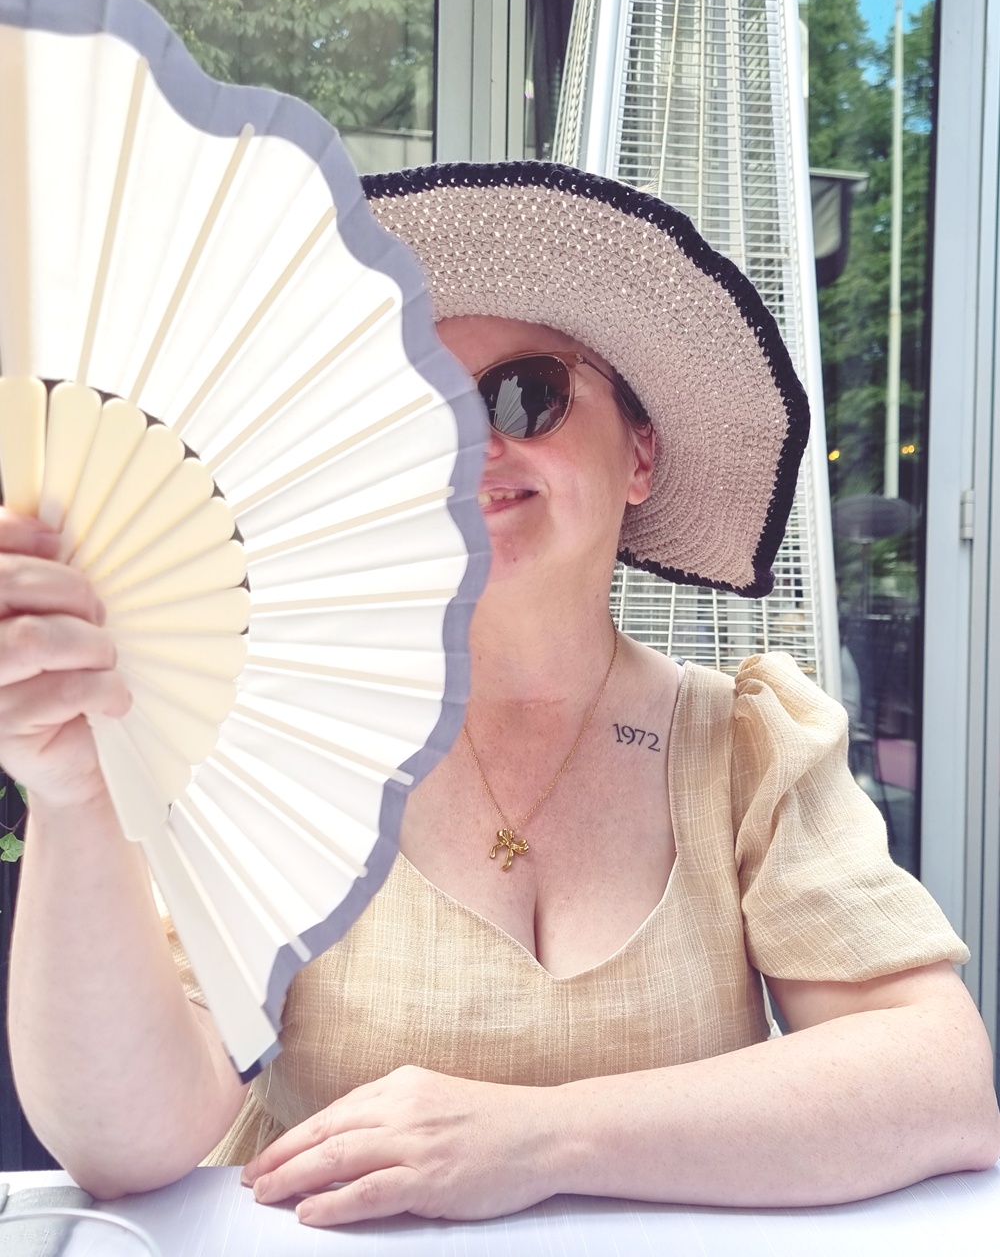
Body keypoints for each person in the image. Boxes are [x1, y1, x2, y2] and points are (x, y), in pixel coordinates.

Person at [4, 161, 998, 1227]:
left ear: (640, 455)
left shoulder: (743, 746)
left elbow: (937, 1078)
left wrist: (536, 1138)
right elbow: (125, 1141)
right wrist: (73, 797)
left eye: (527, 393)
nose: (471, 445)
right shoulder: (277, 748)